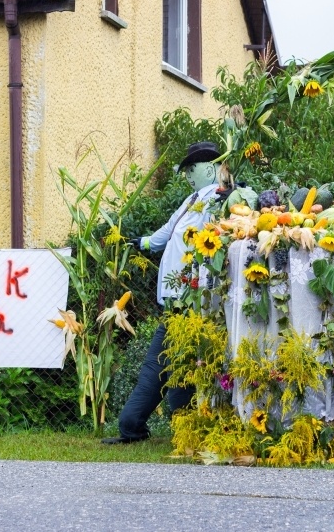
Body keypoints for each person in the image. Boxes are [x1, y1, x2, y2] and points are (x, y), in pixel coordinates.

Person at [102, 141, 225, 444]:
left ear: (210, 168)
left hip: (191, 301)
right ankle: (158, 426)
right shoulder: (192, 199)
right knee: (171, 365)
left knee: (169, 365)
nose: (188, 177)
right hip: (174, 301)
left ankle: (140, 426)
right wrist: (138, 242)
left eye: (191, 170)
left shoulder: (217, 199)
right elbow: (166, 234)